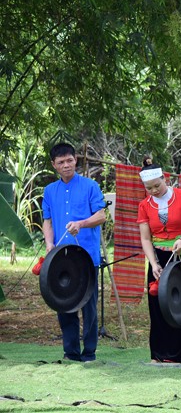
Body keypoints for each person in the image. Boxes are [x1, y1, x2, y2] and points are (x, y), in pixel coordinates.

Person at [42, 143, 107, 362]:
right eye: (61, 162)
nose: (66, 165)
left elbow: (101, 216)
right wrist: (49, 244)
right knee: (64, 305)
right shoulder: (50, 191)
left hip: (86, 257)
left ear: (75, 160)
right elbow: (47, 221)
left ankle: (89, 353)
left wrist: (82, 223)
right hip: (61, 258)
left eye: (69, 160)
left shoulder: (90, 186)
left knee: (89, 306)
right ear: (54, 165)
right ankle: (70, 353)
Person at [137, 159, 181, 363]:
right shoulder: (144, 205)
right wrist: (154, 263)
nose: (154, 190)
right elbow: (146, 238)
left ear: (165, 178)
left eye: (157, 185)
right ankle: (159, 354)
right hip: (158, 257)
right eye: (149, 188)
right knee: (157, 305)